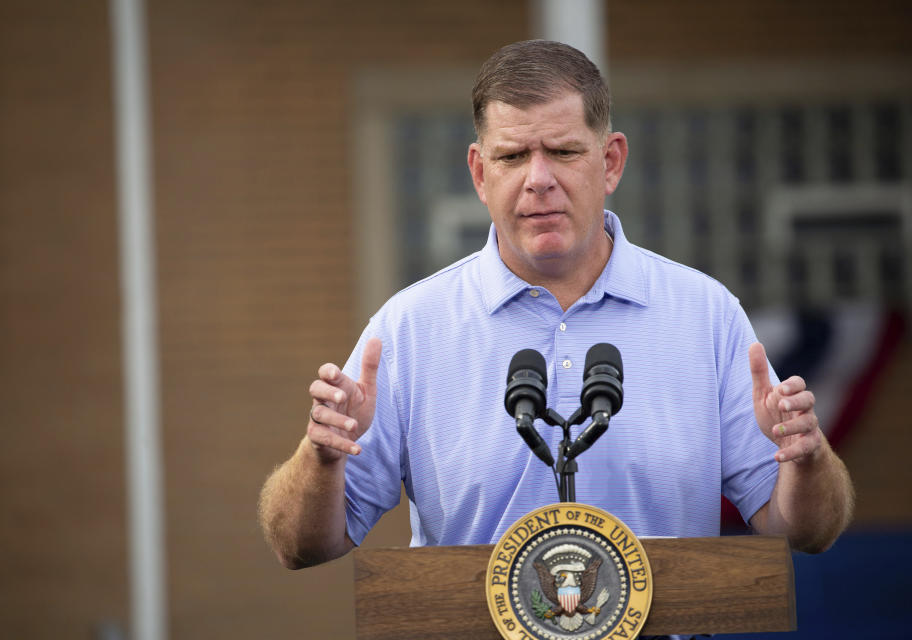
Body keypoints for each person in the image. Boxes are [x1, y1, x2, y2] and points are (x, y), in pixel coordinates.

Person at [258, 40, 854, 570]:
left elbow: (805, 531)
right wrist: (322, 457)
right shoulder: (410, 328)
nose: (538, 179)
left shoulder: (705, 315)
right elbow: (303, 544)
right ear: (478, 172)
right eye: (513, 157)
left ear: (611, 161)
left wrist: (807, 458)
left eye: (564, 152)